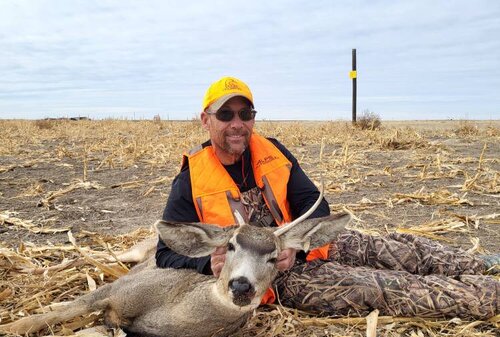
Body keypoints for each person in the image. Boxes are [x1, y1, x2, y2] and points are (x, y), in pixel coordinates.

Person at [156, 76, 499, 319]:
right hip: (276, 278)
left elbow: (315, 202)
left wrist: (295, 246)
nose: (237, 123)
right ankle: (486, 294)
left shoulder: (273, 152)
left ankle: (484, 264)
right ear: (205, 120)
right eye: (225, 114)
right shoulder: (190, 181)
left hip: (301, 247)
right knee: (385, 288)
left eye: (245, 114)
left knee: (399, 248)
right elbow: (165, 253)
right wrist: (209, 264)